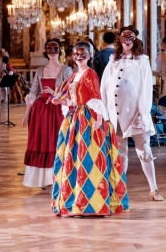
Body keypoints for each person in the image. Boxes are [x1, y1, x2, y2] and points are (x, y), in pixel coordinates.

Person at [50, 40, 129, 217]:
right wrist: (60, 101)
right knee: (74, 158)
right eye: (76, 54)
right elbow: (74, 99)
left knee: (88, 159)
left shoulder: (90, 74)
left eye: (83, 54)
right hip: (75, 117)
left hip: (88, 119)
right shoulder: (74, 75)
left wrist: (99, 120)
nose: (79, 57)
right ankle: (76, 200)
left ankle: (90, 203)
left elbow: (96, 98)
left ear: (89, 56)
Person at [100, 25, 164, 201]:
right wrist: (105, 112)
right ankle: (120, 190)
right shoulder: (113, 60)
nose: (127, 41)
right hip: (116, 113)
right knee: (120, 152)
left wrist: (143, 113)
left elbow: (145, 88)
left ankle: (154, 189)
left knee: (144, 149)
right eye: (123, 37)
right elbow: (104, 86)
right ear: (119, 40)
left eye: (130, 37)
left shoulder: (142, 61)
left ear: (135, 39)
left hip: (136, 113)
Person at [22, 39, 73, 189]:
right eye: (49, 49)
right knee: (41, 141)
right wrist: (26, 114)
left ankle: (58, 177)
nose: (52, 52)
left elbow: (70, 92)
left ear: (60, 50)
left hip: (58, 109)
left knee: (56, 141)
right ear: (46, 51)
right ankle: (43, 179)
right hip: (40, 111)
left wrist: (55, 93)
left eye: (55, 49)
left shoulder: (66, 70)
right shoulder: (39, 71)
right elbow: (33, 93)